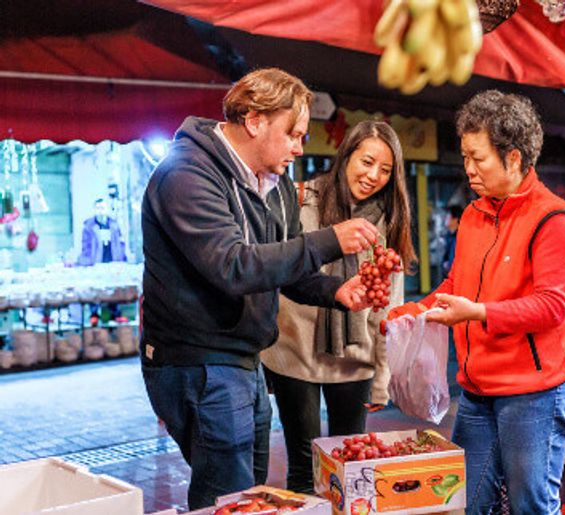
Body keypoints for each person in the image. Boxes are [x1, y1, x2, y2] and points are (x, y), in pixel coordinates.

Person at [139, 68, 379, 510]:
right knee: (225, 495)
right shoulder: (186, 175)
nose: (298, 148)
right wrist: (328, 240)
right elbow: (232, 266)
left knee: (250, 492)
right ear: (255, 121)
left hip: (245, 360)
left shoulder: (277, 186)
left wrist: (335, 291)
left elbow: (283, 270)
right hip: (198, 361)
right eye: (293, 134)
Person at [389, 90, 565, 514]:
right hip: (478, 391)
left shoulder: (555, 221)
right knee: (466, 501)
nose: (468, 169)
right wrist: (417, 312)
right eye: (465, 157)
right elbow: (456, 282)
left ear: (513, 158)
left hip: (537, 394)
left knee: (530, 505)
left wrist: (477, 314)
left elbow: (552, 306)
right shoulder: (476, 216)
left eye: (478, 158)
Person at [261, 120, 417, 493]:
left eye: (385, 169)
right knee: (302, 468)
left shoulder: (389, 220)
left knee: (351, 466)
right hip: (294, 354)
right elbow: (275, 269)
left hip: (354, 360)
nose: (373, 176)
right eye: (366, 162)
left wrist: (381, 380)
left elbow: (387, 310)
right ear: (346, 155)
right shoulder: (301, 200)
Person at [78, 197, 126, 265]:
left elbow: (121, 243)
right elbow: (85, 246)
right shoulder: (88, 227)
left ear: (107, 209)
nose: (100, 211)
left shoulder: (115, 225)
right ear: (94, 210)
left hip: (114, 261)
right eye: (98, 208)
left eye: (102, 208)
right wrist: (88, 261)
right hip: (95, 262)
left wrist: (121, 257)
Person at [441, 205, 462, 275]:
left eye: (447, 216)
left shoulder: (462, 237)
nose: (445, 219)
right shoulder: (449, 236)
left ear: (455, 219)